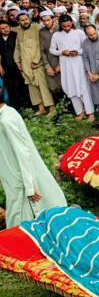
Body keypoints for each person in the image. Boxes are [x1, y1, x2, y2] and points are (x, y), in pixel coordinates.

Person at [0, 86, 67, 228]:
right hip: (12, 176)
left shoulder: (6, 120)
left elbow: (22, 151)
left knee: (21, 219)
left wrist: (29, 186)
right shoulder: (7, 113)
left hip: (19, 177)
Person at [49, 15, 94, 121]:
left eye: (69, 25)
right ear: (60, 25)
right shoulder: (56, 35)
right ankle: (79, 112)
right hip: (65, 64)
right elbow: (52, 49)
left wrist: (77, 52)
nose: (67, 28)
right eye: (64, 26)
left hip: (78, 63)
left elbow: (86, 48)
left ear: (72, 23)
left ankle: (90, 113)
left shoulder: (79, 33)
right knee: (70, 87)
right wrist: (62, 52)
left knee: (83, 87)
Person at [13, 12, 54, 116]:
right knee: (32, 87)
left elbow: (41, 46)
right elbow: (17, 47)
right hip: (25, 65)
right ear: (18, 22)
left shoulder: (37, 29)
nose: (25, 21)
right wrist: (17, 61)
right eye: (22, 20)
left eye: (26, 19)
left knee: (42, 86)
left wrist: (36, 61)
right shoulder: (18, 31)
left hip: (37, 63)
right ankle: (41, 108)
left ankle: (51, 108)